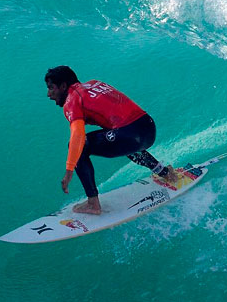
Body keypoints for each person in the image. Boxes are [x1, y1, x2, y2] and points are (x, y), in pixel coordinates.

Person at [45, 66, 182, 214]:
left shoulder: (72, 100)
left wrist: (69, 170)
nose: (49, 94)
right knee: (121, 140)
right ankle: (165, 173)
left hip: (130, 135)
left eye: (51, 88)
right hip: (148, 128)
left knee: (81, 146)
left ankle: (93, 204)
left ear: (63, 86)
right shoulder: (95, 83)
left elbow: (77, 136)